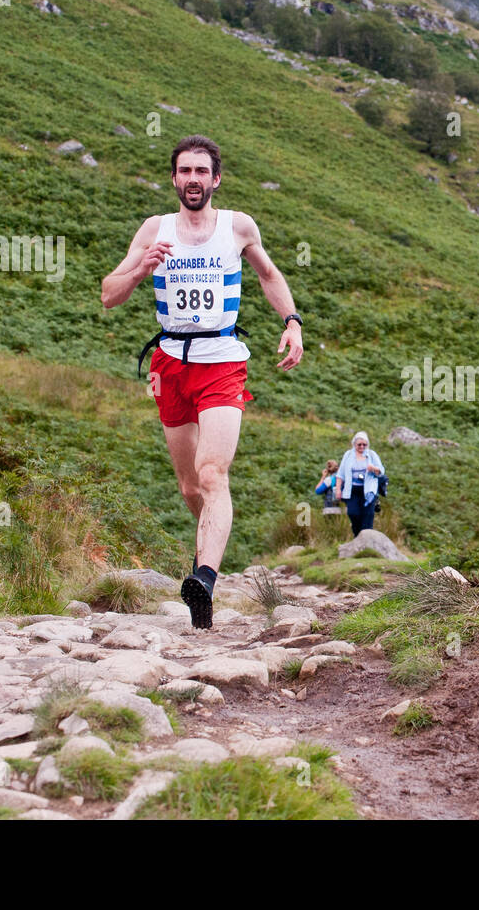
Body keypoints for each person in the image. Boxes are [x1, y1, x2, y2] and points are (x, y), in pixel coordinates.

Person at [101, 135, 303, 629]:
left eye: (201, 172)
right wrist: (142, 268)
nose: (192, 179)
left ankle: (206, 577)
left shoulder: (238, 226)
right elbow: (109, 294)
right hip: (169, 363)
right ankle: (204, 565)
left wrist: (293, 321)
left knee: (213, 473)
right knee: (191, 486)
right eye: (184, 171)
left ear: (216, 179)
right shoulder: (155, 229)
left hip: (223, 359)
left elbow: (270, 274)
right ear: (174, 179)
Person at [334, 432, 384, 536]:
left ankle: (367, 541)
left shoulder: (372, 455)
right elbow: (340, 474)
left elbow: (381, 471)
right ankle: (357, 536)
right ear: (354, 444)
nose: (362, 447)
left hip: (369, 490)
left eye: (364, 445)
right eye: (359, 444)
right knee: (353, 513)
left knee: (368, 515)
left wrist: (374, 468)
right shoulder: (348, 455)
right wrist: (338, 489)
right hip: (352, 490)